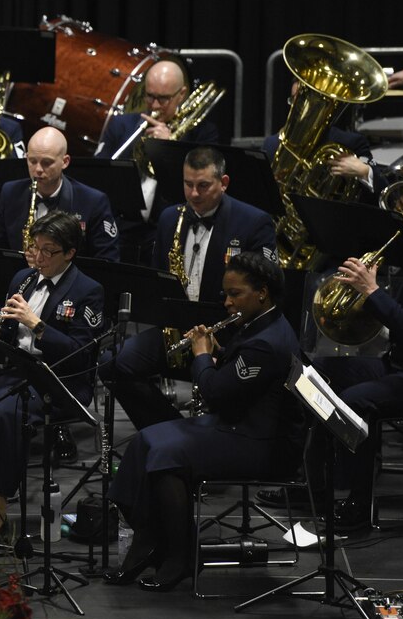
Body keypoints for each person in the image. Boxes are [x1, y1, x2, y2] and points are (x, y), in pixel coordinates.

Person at [105, 252, 303, 592]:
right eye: (226, 294)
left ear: (262, 292)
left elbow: (215, 393)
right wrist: (219, 352)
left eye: (235, 294)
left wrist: (201, 355)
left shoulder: (266, 341)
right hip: (240, 426)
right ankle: (148, 539)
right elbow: (236, 377)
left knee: (167, 454)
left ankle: (180, 556)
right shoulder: (258, 323)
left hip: (260, 442)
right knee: (146, 440)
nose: (226, 302)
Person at [0, 211, 104, 537]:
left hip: (57, 379)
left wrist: (37, 325)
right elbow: (7, 323)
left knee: (4, 414)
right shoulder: (23, 278)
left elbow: (80, 354)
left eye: (48, 251)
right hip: (17, 370)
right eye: (35, 248)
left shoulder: (88, 290)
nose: (38, 257)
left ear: (69, 253)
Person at [98, 146, 276, 431]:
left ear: (223, 183)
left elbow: (265, 291)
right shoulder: (170, 218)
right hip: (176, 331)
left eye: (203, 185)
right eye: (188, 184)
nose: (193, 194)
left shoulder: (253, 222)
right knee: (113, 364)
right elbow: (158, 279)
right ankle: (166, 429)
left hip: (226, 335)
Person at [299, 182, 403, 532]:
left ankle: (359, 506)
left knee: (355, 402)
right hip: (399, 363)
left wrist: (372, 291)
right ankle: (313, 486)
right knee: (318, 374)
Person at [0, 127, 119, 261]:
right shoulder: (10, 192)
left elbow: (107, 260)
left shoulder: (93, 202)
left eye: (47, 163)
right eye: (32, 161)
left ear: (65, 162)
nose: (38, 169)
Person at [262, 81, 388, 205]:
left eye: (305, 98)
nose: (297, 105)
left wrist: (365, 171)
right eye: (294, 99)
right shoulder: (273, 144)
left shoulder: (351, 143)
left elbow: (386, 193)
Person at [94, 60, 220, 160]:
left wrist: (170, 148)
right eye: (150, 96)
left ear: (181, 94)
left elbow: (201, 178)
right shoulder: (120, 125)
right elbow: (100, 171)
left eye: (163, 98)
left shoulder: (203, 134)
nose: (154, 105)